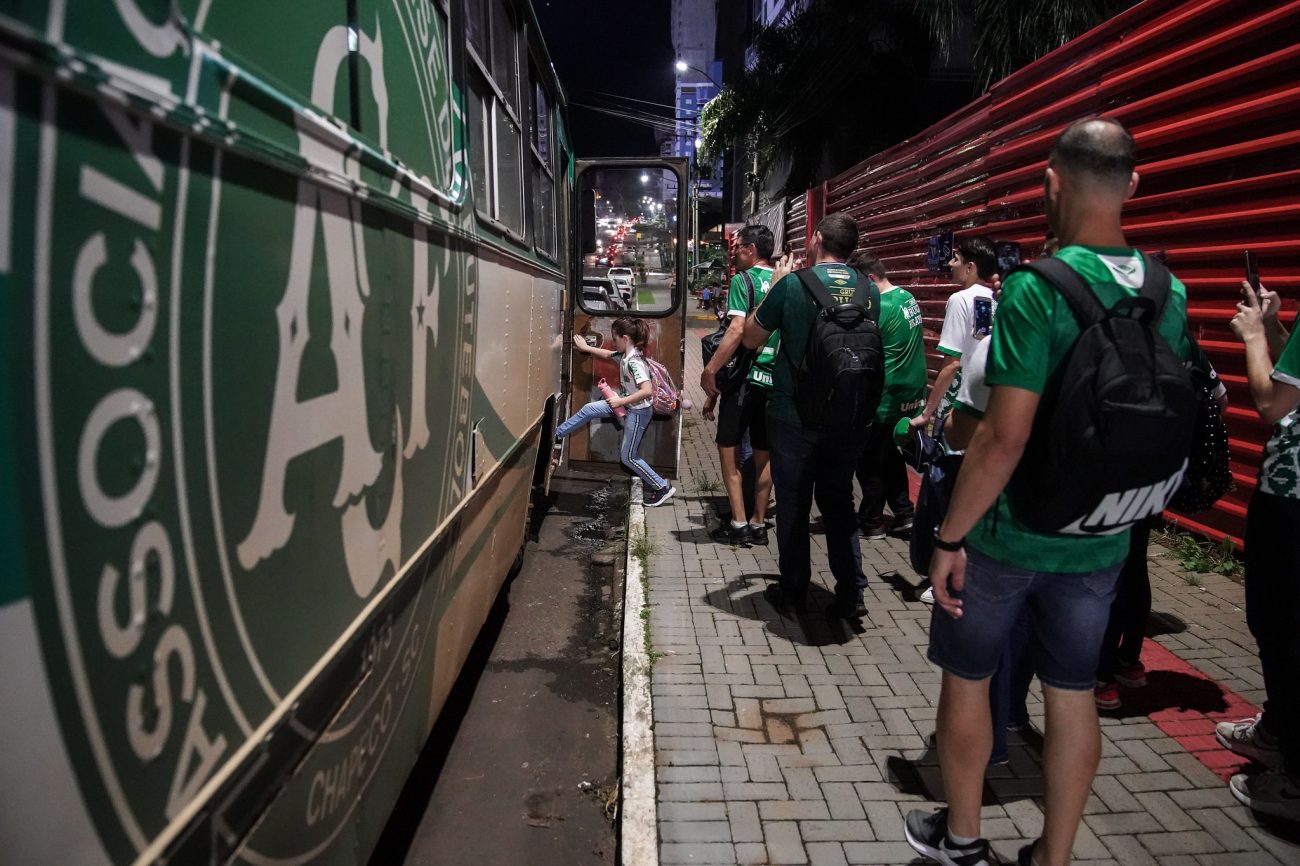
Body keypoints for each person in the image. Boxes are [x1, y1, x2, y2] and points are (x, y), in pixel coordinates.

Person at [904, 118, 1196, 866]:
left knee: (969, 677)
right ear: (1134, 185)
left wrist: (947, 538)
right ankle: (1053, 856)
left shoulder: (1039, 288)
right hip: (1102, 534)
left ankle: (963, 841)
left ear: (1051, 184)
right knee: (1069, 689)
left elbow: (1004, 438)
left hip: (1010, 534)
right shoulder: (1170, 291)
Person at [741, 212, 872, 619]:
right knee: (840, 504)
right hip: (848, 418)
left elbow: (749, 338)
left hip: (793, 416)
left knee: (794, 505)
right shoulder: (869, 289)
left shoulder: (792, 286)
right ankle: (851, 591)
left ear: (816, 239)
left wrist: (775, 288)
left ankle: (794, 589)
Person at [1222, 275, 1300, 821]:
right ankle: (1276, 731)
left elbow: (1273, 403)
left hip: (1293, 500)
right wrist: (1274, 325)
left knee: (1282, 627)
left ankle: (1293, 778)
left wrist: (1253, 335)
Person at [701, 225, 778, 546]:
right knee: (764, 454)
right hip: (773, 381)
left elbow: (735, 331)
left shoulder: (741, 281)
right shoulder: (784, 281)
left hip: (744, 382)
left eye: (737, 247)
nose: (733, 252)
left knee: (729, 452)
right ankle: (759, 523)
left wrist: (710, 369)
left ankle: (738, 522)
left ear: (751, 250)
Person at [846, 252, 926, 540]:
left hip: (884, 392)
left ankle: (871, 520)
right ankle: (904, 513)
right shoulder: (907, 297)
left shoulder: (882, 305)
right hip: (910, 390)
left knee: (869, 461)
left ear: (869, 279)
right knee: (889, 455)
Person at [558, 317, 676, 507]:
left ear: (625, 339)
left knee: (628, 457)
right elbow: (607, 354)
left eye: (615, 338)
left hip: (638, 412)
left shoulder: (634, 363)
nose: (614, 342)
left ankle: (661, 486)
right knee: (589, 409)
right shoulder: (624, 357)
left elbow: (647, 390)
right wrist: (587, 349)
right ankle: (557, 434)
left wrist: (620, 400)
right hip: (626, 406)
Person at [910, 236, 998, 435]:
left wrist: (926, 414)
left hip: (958, 403)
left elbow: (952, 364)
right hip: (985, 402)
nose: (950, 264)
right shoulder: (994, 299)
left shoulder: (960, 300)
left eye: (956, 259)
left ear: (970, 268)